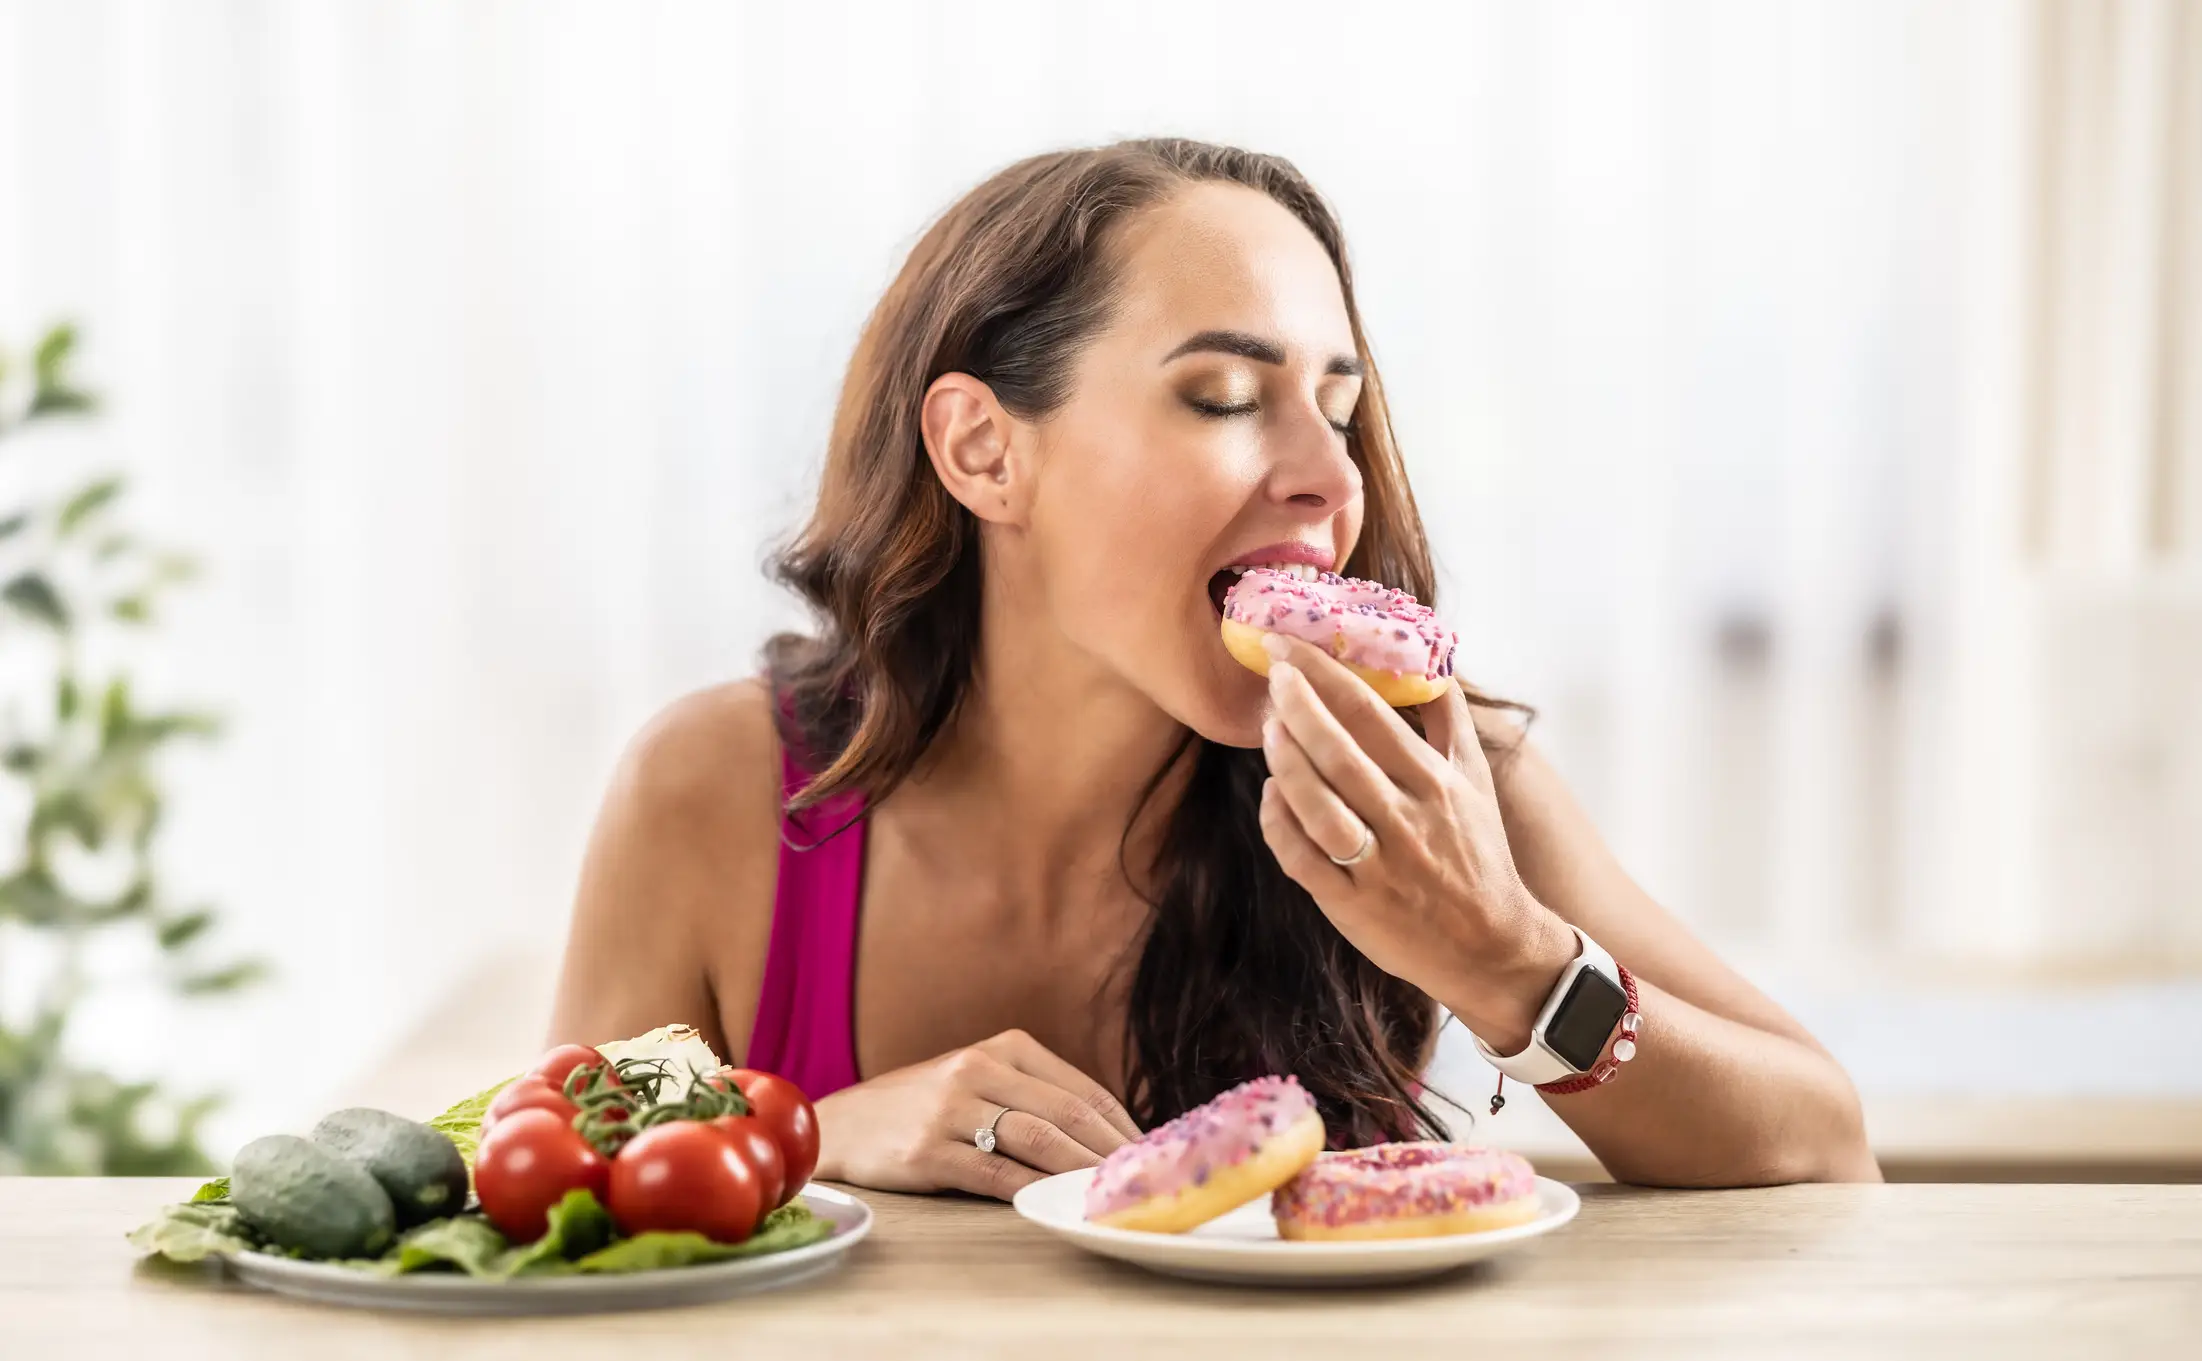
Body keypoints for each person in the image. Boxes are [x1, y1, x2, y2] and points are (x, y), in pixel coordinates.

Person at [548, 138, 1880, 1197]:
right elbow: (546, 1187)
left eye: (1342, 411)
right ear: (983, 453)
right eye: (1225, 401)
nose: (1327, 481)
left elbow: (1819, 1148)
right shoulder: (720, 790)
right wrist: (818, 1137)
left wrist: (1510, 963)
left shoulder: (1425, 778)